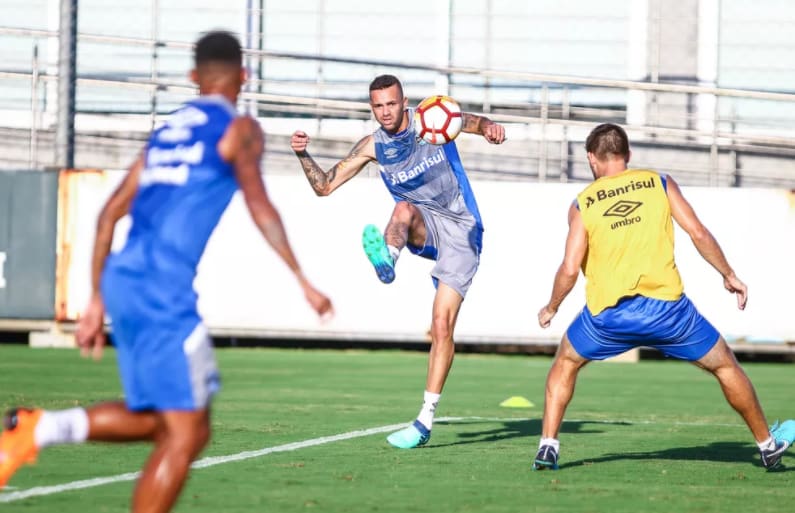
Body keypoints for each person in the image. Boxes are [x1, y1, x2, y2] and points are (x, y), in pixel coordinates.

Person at [0, 31, 333, 511]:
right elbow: (260, 206)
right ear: (244, 76)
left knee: (163, 421)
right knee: (189, 432)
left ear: (193, 78)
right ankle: (38, 429)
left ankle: (41, 427)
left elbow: (109, 213)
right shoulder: (240, 130)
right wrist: (302, 278)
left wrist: (95, 299)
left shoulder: (167, 133)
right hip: (161, 289)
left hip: (122, 282)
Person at [532, 122, 794, 471]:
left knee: (566, 362)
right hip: (669, 313)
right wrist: (728, 275)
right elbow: (697, 232)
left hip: (607, 318)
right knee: (725, 365)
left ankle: (548, 446)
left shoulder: (582, 204)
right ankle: (767, 444)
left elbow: (569, 267)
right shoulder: (660, 182)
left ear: (592, 159)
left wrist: (552, 307)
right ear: (628, 156)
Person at [290, 74, 505, 449]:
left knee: (441, 327)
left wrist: (490, 128)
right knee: (403, 207)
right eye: (378, 106)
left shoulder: (431, 118)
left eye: (391, 104)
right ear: (372, 108)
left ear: (403, 103)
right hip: (422, 226)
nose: (386, 112)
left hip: (462, 230)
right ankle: (387, 259)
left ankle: (424, 421)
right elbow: (324, 186)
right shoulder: (373, 146)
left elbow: (471, 121)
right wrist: (302, 153)